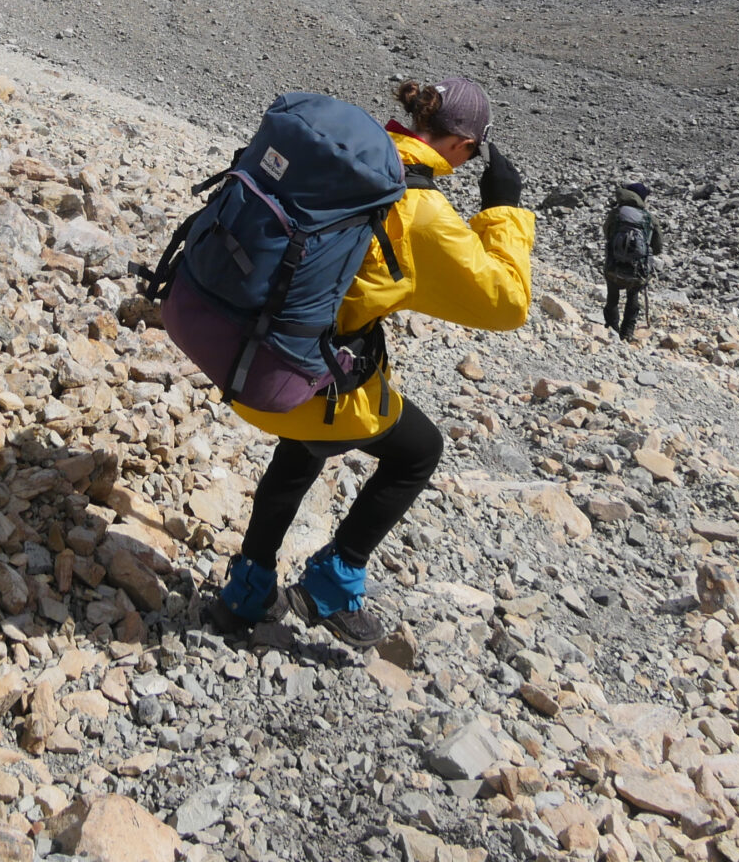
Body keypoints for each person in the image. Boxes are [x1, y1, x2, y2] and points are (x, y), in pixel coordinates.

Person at [210, 77, 535, 644]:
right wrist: (504, 210)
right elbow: (507, 303)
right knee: (417, 452)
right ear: (459, 144)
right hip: (303, 377)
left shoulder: (358, 159)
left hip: (250, 351)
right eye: (473, 151)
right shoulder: (420, 209)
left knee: (302, 449)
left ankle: (247, 587)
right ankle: (335, 583)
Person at [602, 181, 661, 340]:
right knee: (633, 297)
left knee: (612, 297)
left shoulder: (617, 212)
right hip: (637, 270)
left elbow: (607, 233)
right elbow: (657, 247)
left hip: (613, 266)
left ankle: (611, 330)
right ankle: (627, 333)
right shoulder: (649, 218)